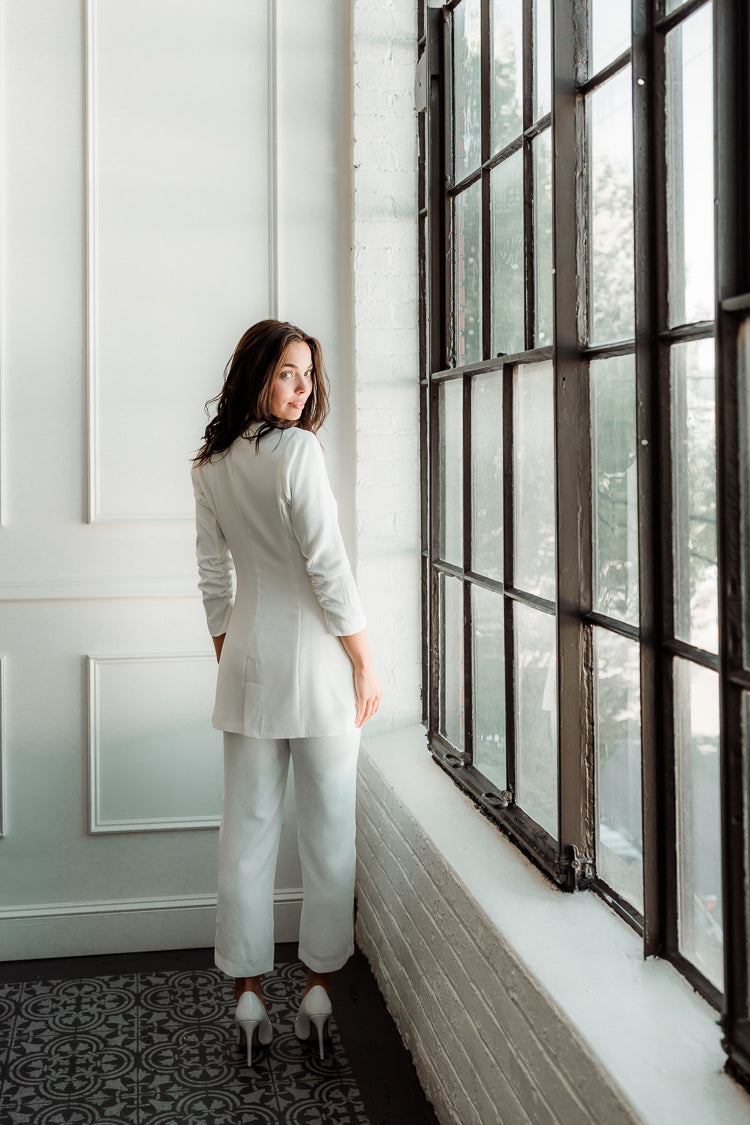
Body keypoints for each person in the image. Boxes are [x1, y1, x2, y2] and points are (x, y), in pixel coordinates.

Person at [191, 319, 382, 1065]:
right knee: (329, 833)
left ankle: (247, 1000)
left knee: (245, 835)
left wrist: (230, 654)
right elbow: (328, 567)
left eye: (307, 375)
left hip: (247, 665)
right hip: (319, 669)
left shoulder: (209, 466)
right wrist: (365, 661)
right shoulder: (298, 453)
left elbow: (215, 581)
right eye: (286, 374)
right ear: (256, 375)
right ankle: (318, 994)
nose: (301, 389)